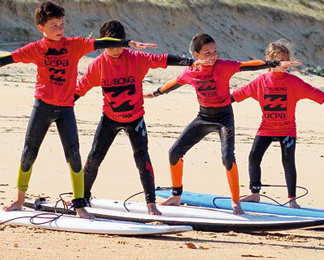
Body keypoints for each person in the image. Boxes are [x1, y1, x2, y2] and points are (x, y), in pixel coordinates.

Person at [0, 1, 156, 218]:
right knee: (29, 153)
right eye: (54, 26)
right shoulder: (36, 49)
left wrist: (127, 42)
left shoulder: (73, 44)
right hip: (42, 106)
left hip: (65, 110)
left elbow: (100, 43)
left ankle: (79, 205)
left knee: (74, 156)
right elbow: (8, 58)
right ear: (41, 28)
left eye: (62, 24)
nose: (60, 29)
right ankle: (19, 198)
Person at [144, 33, 299, 214]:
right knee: (174, 152)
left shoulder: (223, 66)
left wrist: (272, 64)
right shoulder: (190, 72)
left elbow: (245, 66)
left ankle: (236, 203)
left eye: (215, 52)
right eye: (207, 53)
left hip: (224, 118)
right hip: (203, 117)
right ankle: (176, 196)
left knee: (227, 157)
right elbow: (175, 82)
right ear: (196, 55)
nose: (213, 56)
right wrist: (156, 93)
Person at [75, 20, 202, 215]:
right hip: (109, 118)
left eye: (119, 45)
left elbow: (162, 60)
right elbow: (79, 89)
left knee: (142, 159)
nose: (115, 51)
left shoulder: (135, 58)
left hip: (135, 119)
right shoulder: (98, 65)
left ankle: (150, 203)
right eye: (110, 46)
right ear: (102, 44)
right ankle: (83, 198)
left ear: (124, 42)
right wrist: (60, 107)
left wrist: (191, 62)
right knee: (94, 157)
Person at [233, 40, 324, 208]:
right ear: (271, 60)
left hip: (287, 129)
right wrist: (216, 104)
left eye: (287, 59)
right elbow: (237, 95)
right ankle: (255, 194)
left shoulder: (293, 82)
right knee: (254, 157)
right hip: (266, 128)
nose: (287, 63)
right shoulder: (260, 81)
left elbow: (316, 93)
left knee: (288, 161)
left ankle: (292, 200)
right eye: (282, 59)